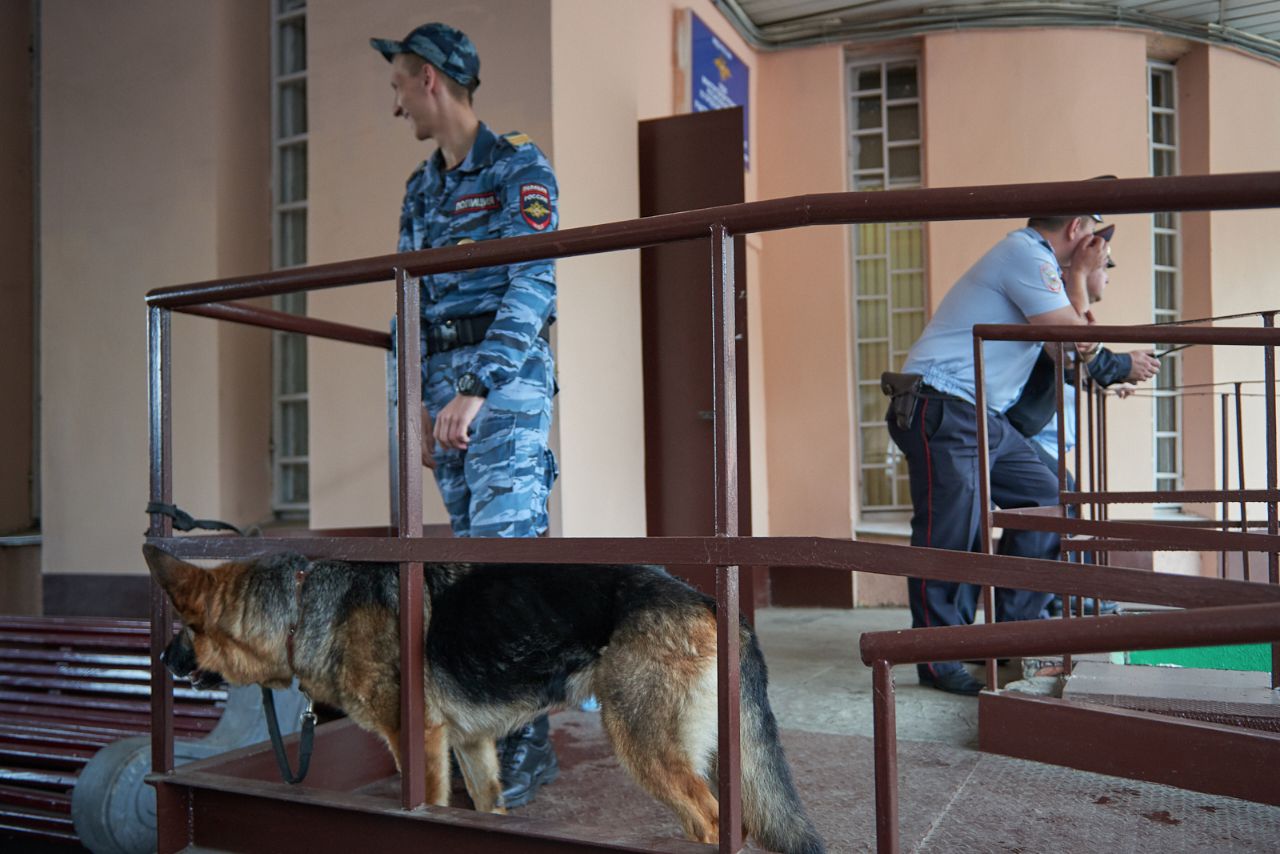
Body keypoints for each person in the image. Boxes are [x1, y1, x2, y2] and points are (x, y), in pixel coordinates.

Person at [371, 21, 559, 807]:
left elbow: (535, 282)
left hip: (501, 387)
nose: (395, 105)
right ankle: (494, 730)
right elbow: (408, 300)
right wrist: (414, 405)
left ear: (430, 81)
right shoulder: (421, 189)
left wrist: (477, 387)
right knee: (471, 572)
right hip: (443, 388)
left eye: (399, 85)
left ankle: (528, 740)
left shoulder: (518, 168)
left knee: (506, 564)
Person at [883, 211, 1108, 696]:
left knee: (1052, 495)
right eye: (1094, 236)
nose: (1098, 249)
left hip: (981, 413)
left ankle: (1011, 633)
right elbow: (1074, 339)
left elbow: (1067, 353)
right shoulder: (1026, 255)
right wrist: (1080, 278)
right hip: (942, 402)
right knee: (951, 533)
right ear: (1076, 228)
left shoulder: (1039, 267)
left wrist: (1078, 285)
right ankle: (937, 658)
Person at [1004, 239, 1159, 615]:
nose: (1107, 277)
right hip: (1014, 427)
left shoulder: (1070, 309)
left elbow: (1072, 365)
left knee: (1056, 501)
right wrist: (1121, 366)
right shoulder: (1056, 306)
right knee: (1057, 497)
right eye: (1103, 267)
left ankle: (1049, 600)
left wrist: (1103, 379)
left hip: (1023, 429)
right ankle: (1031, 610)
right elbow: (1074, 352)